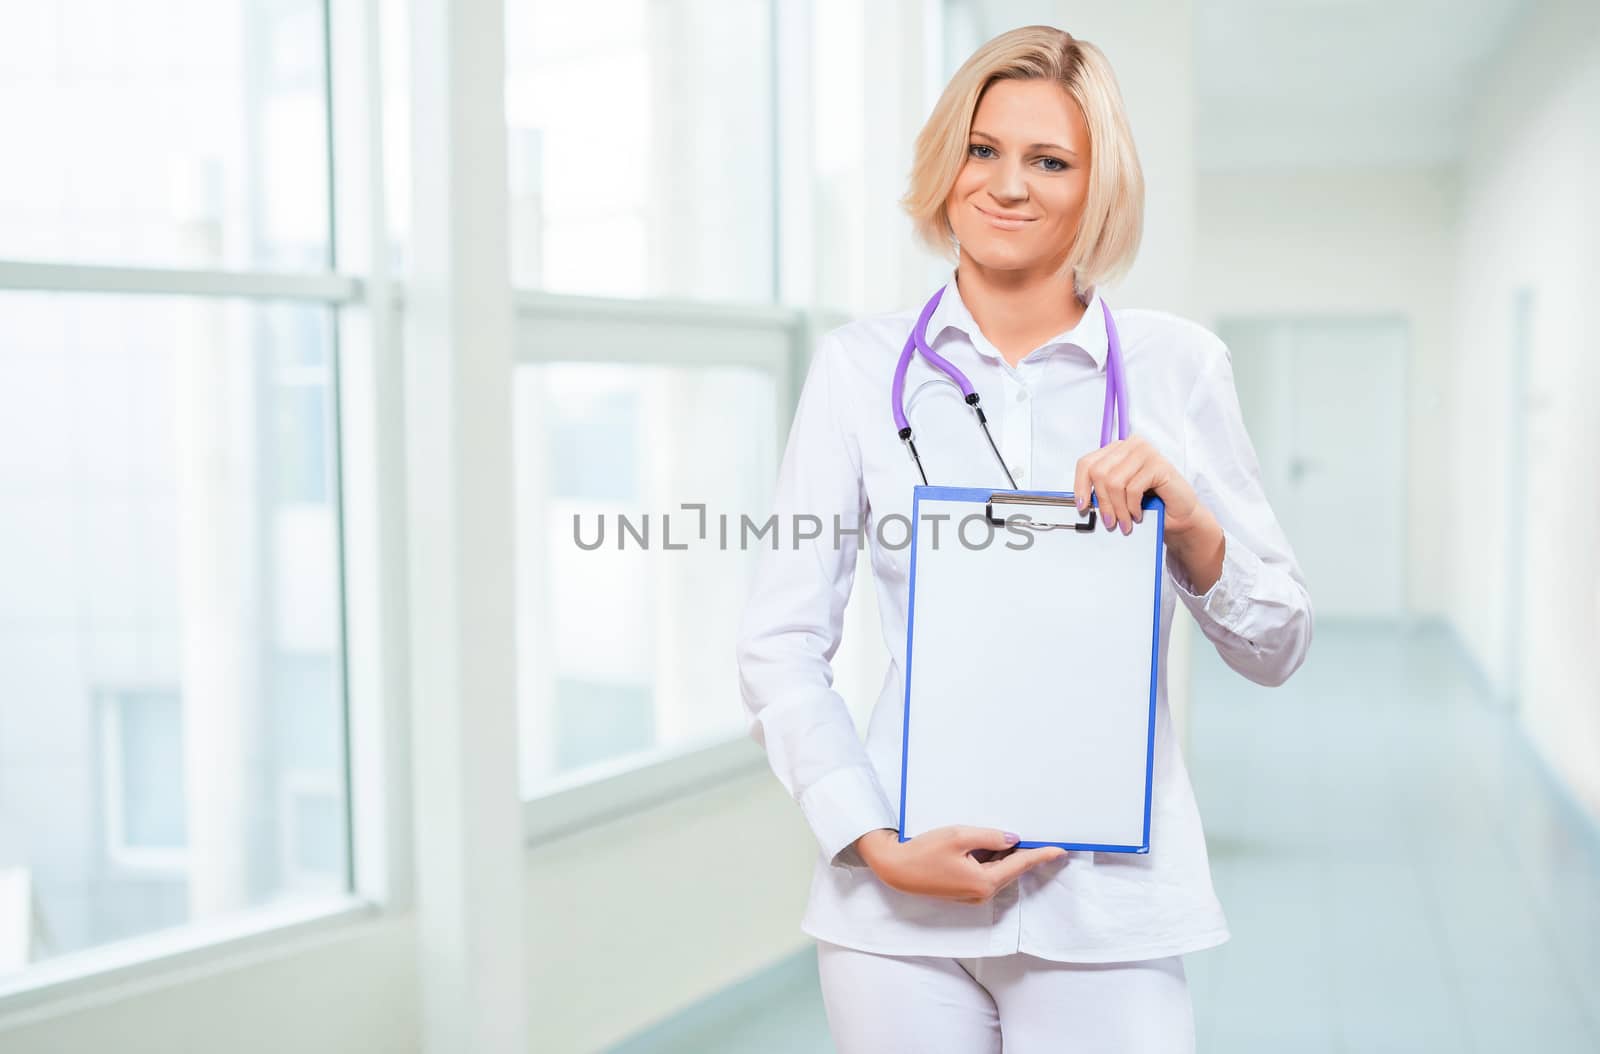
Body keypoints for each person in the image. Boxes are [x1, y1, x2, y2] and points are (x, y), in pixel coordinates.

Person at [735, 24, 1313, 1054]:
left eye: (1049, 160)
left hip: (1108, 910)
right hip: (897, 916)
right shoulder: (858, 371)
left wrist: (1191, 522)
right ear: (944, 161)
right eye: (982, 148)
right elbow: (779, 643)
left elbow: (1275, 647)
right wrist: (872, 843)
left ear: (1096, 188)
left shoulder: (1175, 367)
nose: (1007, 184)